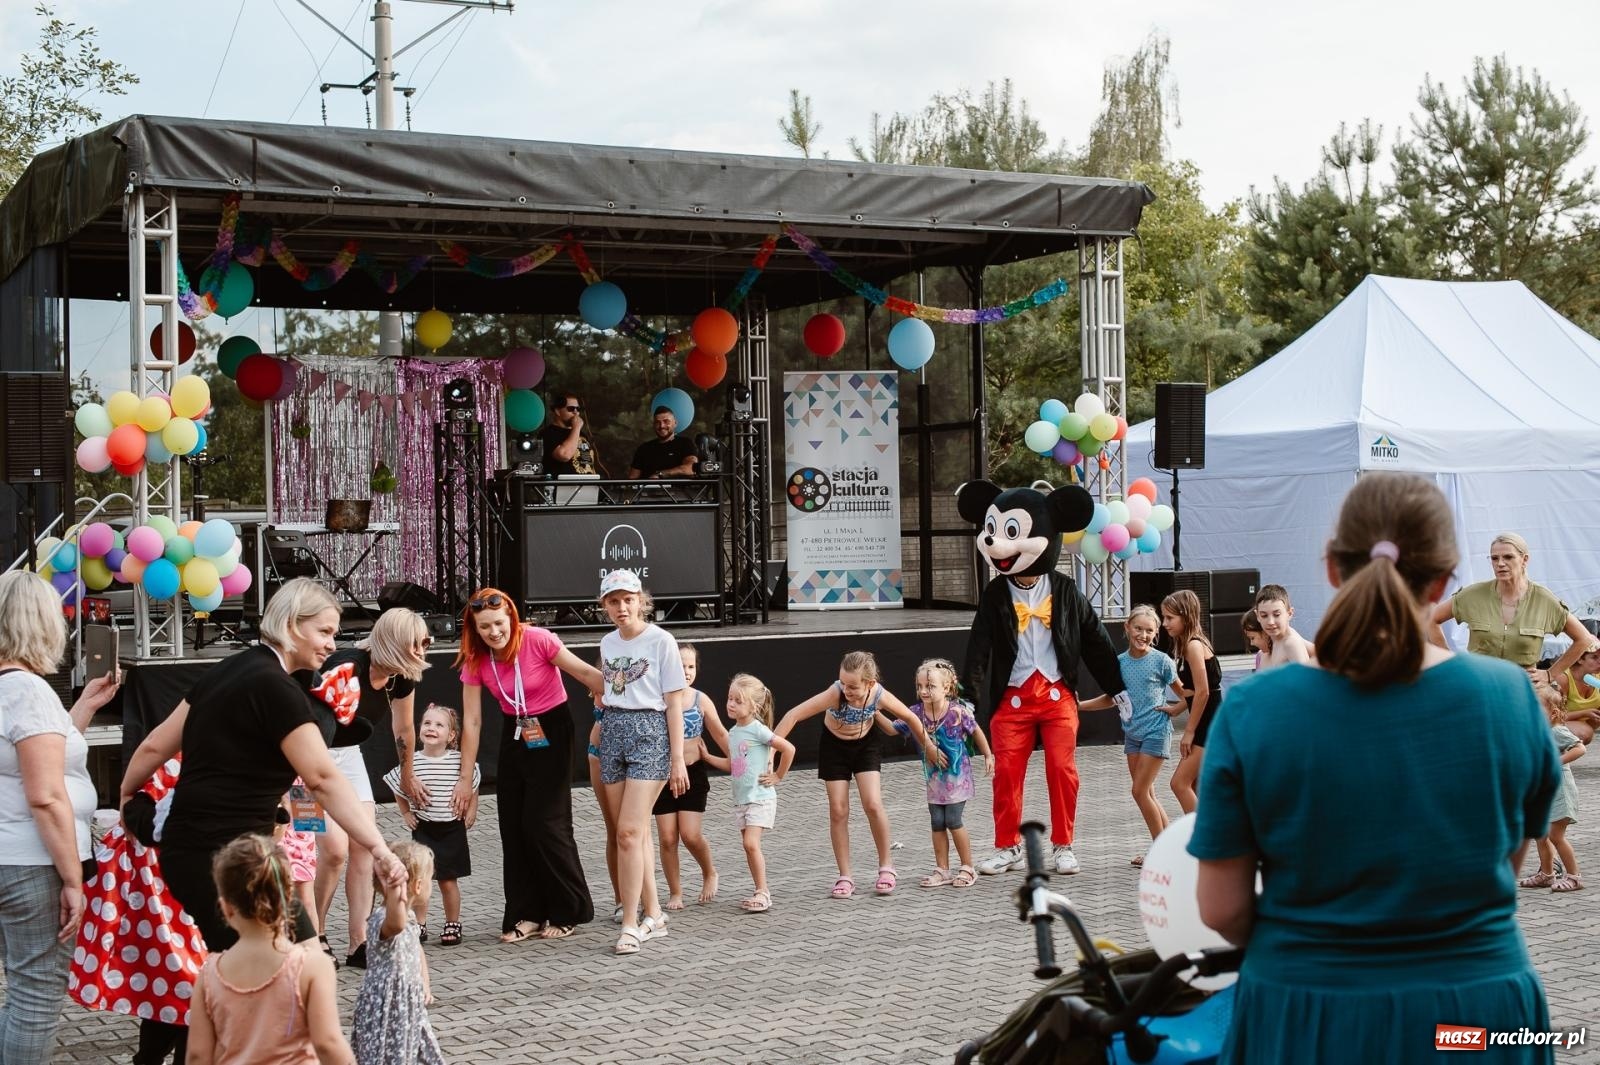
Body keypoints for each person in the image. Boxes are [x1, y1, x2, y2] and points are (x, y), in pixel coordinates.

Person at [1190, 472, 1560, 1065]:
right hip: (1476, 1016)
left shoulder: (1257, 710)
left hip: (1308, 1008)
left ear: (1333, 568)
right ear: (1442, 580)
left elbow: (1223, 910)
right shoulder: (1509, 698)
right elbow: (1503, 863)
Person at [120, 578, 406, 1065]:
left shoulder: (228, 670)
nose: (333, 645)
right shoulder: (277, 690)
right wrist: (379, 848)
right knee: (255, 974)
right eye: (325, 631)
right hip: (227, 862)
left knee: (266, 958)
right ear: (293, 625)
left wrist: (128, 795)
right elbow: (321, 777)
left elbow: (153, 746)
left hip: (201, 854)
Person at [955, 480, 1131, 878]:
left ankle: (1063, 844)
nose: (998, 543)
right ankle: (1007, 846)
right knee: (1006, 774)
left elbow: (1096, 642)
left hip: (1056, 696)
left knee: (1062, 770)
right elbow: (978, 648)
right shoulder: (995, 595)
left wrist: (1116, 687)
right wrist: (967, 697)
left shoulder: (1066, 591)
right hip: (1011, 699)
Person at [0, 570, 120, 1064]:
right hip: (32, 861)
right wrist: (74, 877)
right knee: (37, 994)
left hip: (11, 856)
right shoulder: (29, 692)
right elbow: (46, 794)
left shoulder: (15, 691)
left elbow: (27, 759)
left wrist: (83, 710)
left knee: (21, 985)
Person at [455, 587, 604, 944]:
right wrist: (466, 780)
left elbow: (587, 675)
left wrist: (633, 697)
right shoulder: (477, 658)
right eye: (485, 627)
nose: (493, 632)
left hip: (552, 727)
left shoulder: (538, 640)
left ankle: (568, 907)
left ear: (512, 619)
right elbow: (472, 722)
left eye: (498, 623)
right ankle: (527, 912)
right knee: (514, 824)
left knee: (544, 822)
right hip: (516, 731)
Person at [312, 607, 431, 969]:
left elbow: (404, 729)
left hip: (347, 757)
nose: (424, 650)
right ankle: (313, 934)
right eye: (418, 643)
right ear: (395, 643)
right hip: (311, 755)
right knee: (333, 850)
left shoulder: (400, 677)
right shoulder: (348, 665)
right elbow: (307, 719)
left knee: (365, 845)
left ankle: (358, 941)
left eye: (425, 642)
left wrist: (407, 774)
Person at [774, 650, 940, 900]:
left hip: (866, 745)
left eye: (853, 686)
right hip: (834, 747)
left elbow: (908, 716)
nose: (846, 690)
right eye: (843, 683)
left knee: (872, 804)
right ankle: (845, 875)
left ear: (870, 683)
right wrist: (770, 751)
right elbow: (793, 715)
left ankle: (887, 867)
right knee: (838, 810)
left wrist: (928, 747)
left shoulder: (879, 695)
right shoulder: (835, 693)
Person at [184, 834, 351, 1065]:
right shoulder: (312, 966)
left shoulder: (209, 974)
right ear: (289, 898)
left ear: (225, 907)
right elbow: (328, 1043)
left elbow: (197, 1056)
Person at [595, 568, 687, 955]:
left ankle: (631, 923)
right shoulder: (606, 643)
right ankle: (654, 914)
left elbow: (675, 701)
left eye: (628, 599)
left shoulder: (661, 641)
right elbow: (607, 692)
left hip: (650, 732)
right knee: (632, 833)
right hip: (613, 730)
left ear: (641, 601)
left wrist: (678, 758)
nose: (622, 607)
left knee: (629, 833)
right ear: (604, 606)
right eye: (613, 601)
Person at [1079, 606, 1185, 864]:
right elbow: (1112, 698)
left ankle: (1161, 853)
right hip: (1132, 734)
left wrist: (1175, 709)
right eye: (1139, 628)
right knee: (1147, 793)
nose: (1144, 635)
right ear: (1127, 628)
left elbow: (1186, 693)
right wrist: (1080, 706)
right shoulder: (1120, 663)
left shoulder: (1161, 661)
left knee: (1139, 791)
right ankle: (1169, 846)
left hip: (1156, 732)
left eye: (1150, 630)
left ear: (1156, 633)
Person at [1427, 533, 1596, 688]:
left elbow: (1584, 639)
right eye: (1494, 558)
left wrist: (1550, 674)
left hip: (1521, 689)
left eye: (1508, 557)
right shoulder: (1473, 595)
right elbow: (1432, 619)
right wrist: (1451, 663)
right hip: (1479, 685)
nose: (1500, 563)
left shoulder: (1544, 600)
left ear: (1524, 559)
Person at [699, 674, 795, 913]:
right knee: (747, 845)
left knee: (751, 843)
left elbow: (788, 748)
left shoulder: (757, 730)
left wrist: (779, 776)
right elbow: (733, 765)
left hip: (760, 798)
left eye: (738, 701)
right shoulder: (733, 733)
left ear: (754, 706)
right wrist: (707, 757)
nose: (731, 704)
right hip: (742, 800)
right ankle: (759, 889)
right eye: (730, 698)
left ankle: (763, 892)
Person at [384, 705, 478, 945]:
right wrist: (405, 812)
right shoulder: (412, 762)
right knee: (420, 880)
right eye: (427, 723)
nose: (431, 728)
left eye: (439, 725)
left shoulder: (459, 761)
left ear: (451, 735)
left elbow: (473, 782)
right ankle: (420, 924)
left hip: (452, 828)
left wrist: (472, 809)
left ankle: (452, 922)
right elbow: (398, 786)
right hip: (424, 829)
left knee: (448, 881)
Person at [351, 840, 443, 1065]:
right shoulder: (384, 919)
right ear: (419, 886)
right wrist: (396, 892)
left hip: (408, 1004)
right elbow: (397, 925)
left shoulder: (410, 918)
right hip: (388, 1008)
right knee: (387, 1057)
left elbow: (416, 949)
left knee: (422, 1053)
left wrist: (425, 984)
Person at [652, 643, 729, 910]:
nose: (686, 671)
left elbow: (719, 733)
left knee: (690, 834)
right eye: (680, 666)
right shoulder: (656, 698)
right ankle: (675, 891)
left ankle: (709, 871)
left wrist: (743, 762)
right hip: (661, 775)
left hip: (692, 772)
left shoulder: (699, 699)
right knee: (668, 837)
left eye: (691, 666)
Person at [905, 658, 992, 888]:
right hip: (934, 781)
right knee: (937, 821)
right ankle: (942, 869)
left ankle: (967, 867)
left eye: (930, 686)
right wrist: (873, 712)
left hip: (957, 779)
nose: (923, 691)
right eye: (920, 686)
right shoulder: (915, 713)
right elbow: (895, 727)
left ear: (947, 688)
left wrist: (988, 754)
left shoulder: (957, 712)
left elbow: (976, 731)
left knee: (953, 820)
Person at [1519, 683, 1585, 893]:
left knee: (1556, 836)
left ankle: (1574, 876)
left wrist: (1558, 761)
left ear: (1553, 712)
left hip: (1560, 792)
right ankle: (1547, 874)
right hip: (1545, 792)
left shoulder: (1558, 731)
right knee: (1541, 834)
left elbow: (1580, 748)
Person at [1163, 590, 1222, 815]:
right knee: (1195, 785)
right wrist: (1177, 708)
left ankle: (1202, 839)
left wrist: (1189, 731)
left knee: (1179, 783)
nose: (1165, 624)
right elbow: (1199, 690)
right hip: (1207, 720)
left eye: (1170, 618)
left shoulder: (1193, 646)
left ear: (1186, 616)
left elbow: (1204, 692)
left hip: (1207, 725)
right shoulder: (1190, 643)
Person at [627, 406, 698, 479]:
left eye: (666, 421)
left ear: (675, 423)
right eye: (658, 422)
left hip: (677, 490)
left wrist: (660, 474)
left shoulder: (685, 443)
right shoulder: (643, 448)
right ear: (654, 425)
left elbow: (691, 469)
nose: (661, 426)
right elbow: (632, 479)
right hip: (647, 490)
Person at [1252, 585, 1314, 666]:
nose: (1270, 622)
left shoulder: (1292, 643)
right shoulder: (1270, 643)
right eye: (1264, 615)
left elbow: (1306, 677)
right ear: (1257, 616)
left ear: (1290, 613)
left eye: (1276, 615)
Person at [541, 390, 598, 477]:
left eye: (578, 409)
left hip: (588, 487)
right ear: (557, 411)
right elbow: (564, 455)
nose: (575, 412)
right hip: (563, 488)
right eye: (571, 409)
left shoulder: (581, 434)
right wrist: (576, 427)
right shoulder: (548, 433)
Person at [1555, 643, 1600, 744]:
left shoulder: (1597, 676)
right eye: (1594, 657)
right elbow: (1552, 717)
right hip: (1551, 724)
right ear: (1580, 659)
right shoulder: (1563, 679)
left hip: (1582, 724)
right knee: (1584, 732)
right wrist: (1584, 713)